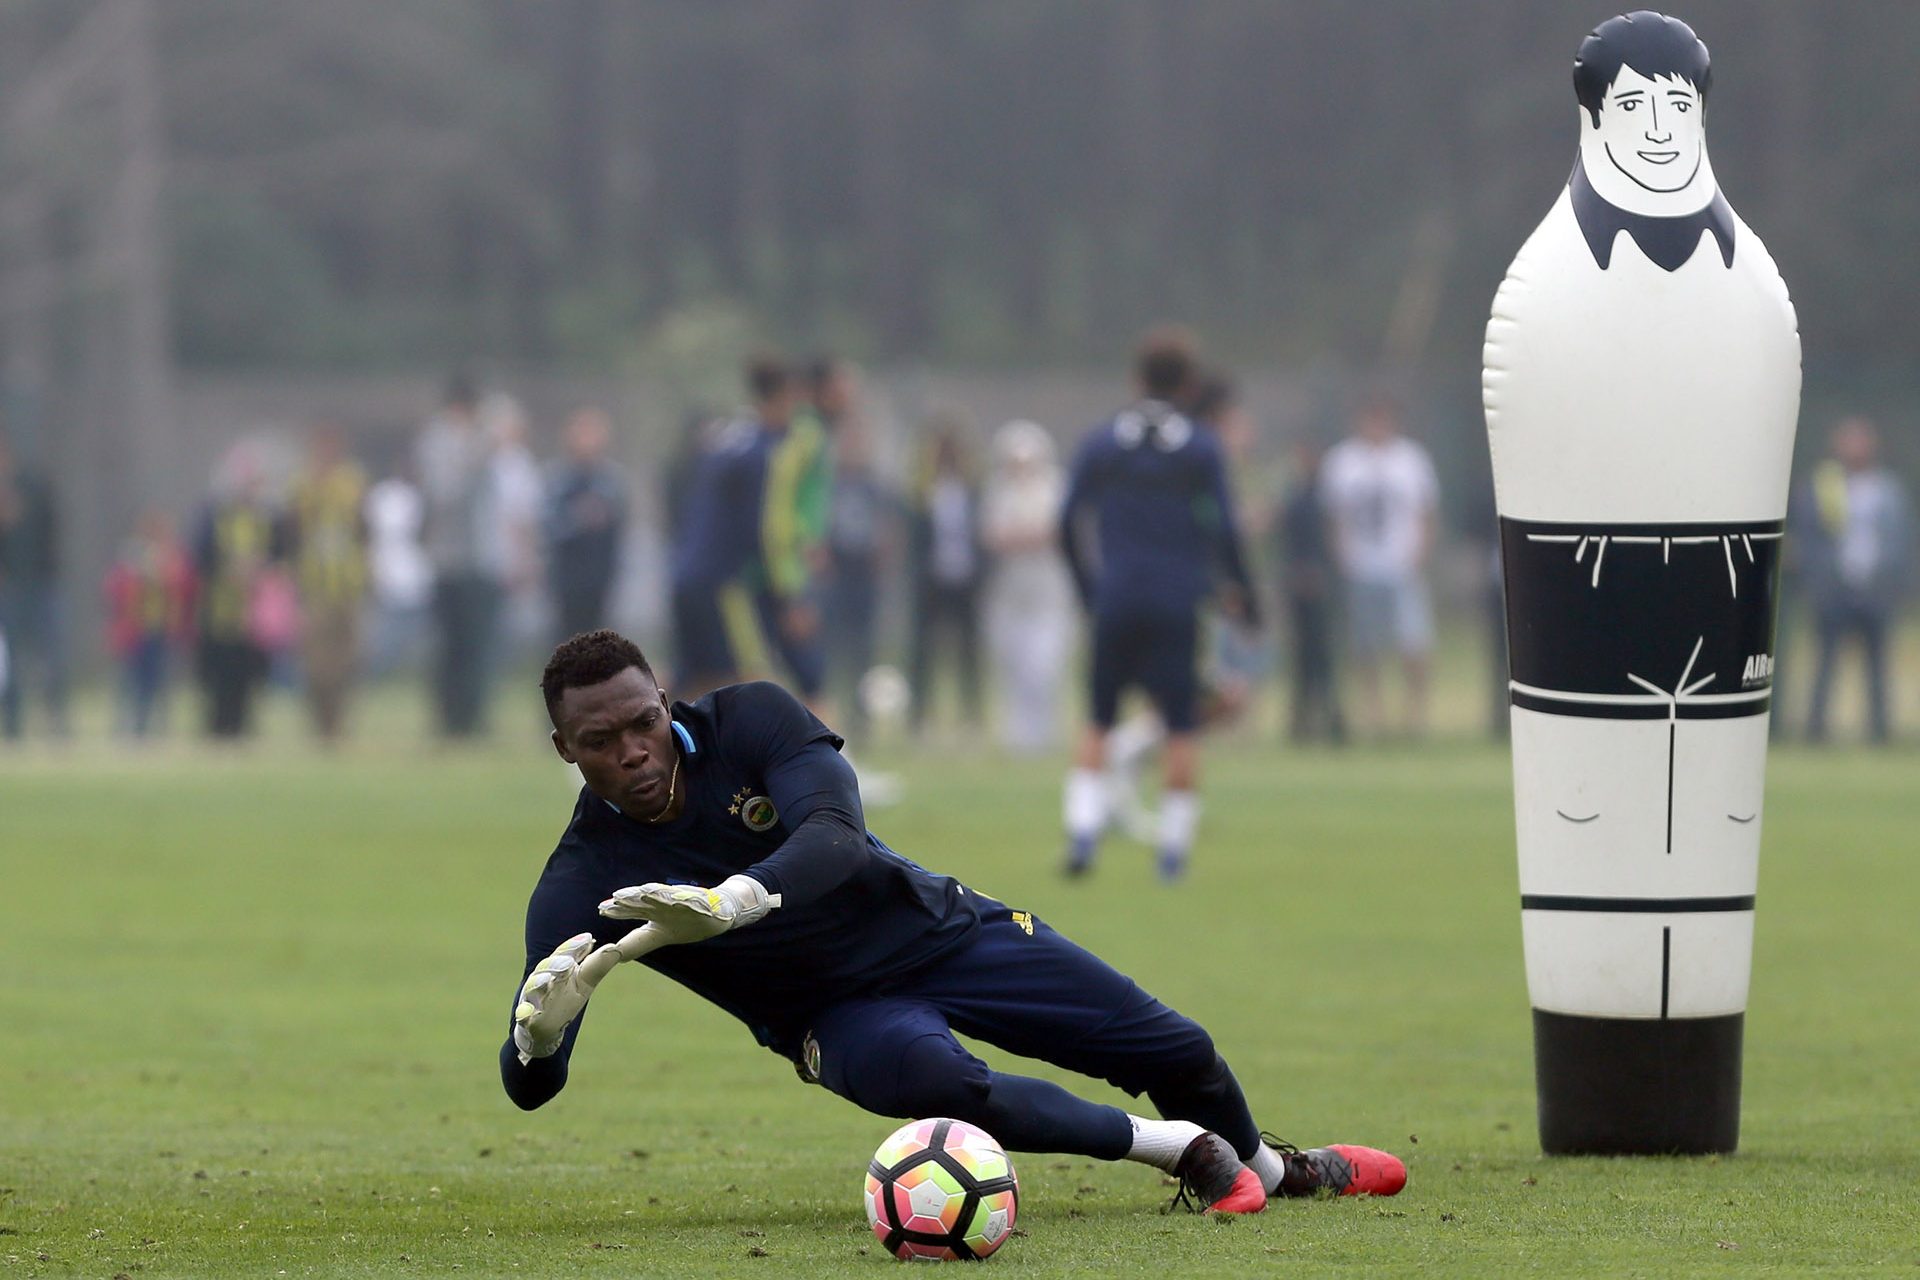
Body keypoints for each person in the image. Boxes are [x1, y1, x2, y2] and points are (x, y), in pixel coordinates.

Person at [500, 629, 1407, 1218]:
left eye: (644, 722)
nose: (632, 752)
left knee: (1177, 1050)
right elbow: (530, 1089)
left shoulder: (753, 719)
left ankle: (1280, 1170)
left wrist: (734, 900)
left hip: (940, 930)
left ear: (666, 702)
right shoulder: (581, 880)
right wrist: (539, 1039)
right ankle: (1187, 1153)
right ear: (563, 750)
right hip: (833, 1016)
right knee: (935, 1077)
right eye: (600, 742)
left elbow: (836, 839)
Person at [1058, 332, 1258, 882]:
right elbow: (1224, 529)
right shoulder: (1199, 447)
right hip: (1177, 600)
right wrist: (1244, 595)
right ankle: (1171, 851)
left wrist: (1086, 591)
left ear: (1137, 380)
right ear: (1189, 385)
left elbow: (1066, 519)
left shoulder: (1103, 443)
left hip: (1116, 597)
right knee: (1179, 723)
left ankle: (1082, 837)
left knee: (1099, 715)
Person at [1319, 395, 1439, 740]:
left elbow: (1427, 513)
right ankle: (1374, 716)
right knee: (1366, 646)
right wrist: (1342, 556)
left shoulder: (1411, 459)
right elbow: (1334, 516)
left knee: (1414, 642)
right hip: (1362, 567)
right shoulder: (1342, 461)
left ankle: (1415, 718)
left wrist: (1420, 554)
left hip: (1402, 566)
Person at [668, 358, 791, 696]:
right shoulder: (759, 452)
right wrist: (783, 594)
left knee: (689, 678)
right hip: (719, 582)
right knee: (740, 679)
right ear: (781, 399)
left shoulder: (727, 438)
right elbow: (758, 529)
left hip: (686, 572)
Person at [1794, 416, 1913, 744]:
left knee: (1877, 665)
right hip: (1834, 590)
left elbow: (1900, 540)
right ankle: (1815, 732)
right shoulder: (1824, 485)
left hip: (1876, 590)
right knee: (1826, 663)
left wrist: (1896, 585)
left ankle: (1880, 732)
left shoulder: (1888, 489)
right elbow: (1809, 539)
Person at [417, 373, 503, 738]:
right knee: (449, 647)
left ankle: (474, 717)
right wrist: (476, 456)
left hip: (482, 561)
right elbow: (443, 495)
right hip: (448, 561)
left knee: (479, 646)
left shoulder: (486, 446)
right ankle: (449, 719)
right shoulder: (437, 443)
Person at [980, 420, 1075, 753]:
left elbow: (1058, 533)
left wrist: (1025, 536)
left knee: (1043, 666)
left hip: (1049, 593)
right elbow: (993, 536)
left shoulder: (1056, 488)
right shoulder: (998, 491)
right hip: (1009, 593)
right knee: (1014, 665)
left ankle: (1043, 733)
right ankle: (1018, 736)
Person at [192, 442, 286, 740]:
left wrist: (260, 569)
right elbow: (200, 554)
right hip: (220, 609)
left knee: (250, 677)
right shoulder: (214, 513)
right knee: (219, 676)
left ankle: (243, 730)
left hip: (253, 613)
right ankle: (217, 731)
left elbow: (280, 554)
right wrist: (229, 568)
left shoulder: (268, 516)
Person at [286, 421, 369, 743]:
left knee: (347, 660)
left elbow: (364, 530)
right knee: (317, 663)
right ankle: (321, 725)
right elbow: (292, 532)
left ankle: (339, 724)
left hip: (347, 585)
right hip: (315, 585)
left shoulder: (352, 482)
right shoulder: (303, 485)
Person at [907, 415, 984, 736]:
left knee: (968, 650)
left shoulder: (972, 490)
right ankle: (921, 716)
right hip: (931, 580)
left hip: (965, 579)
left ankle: (971, 716)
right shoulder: (923, 491)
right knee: (923, 650)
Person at [1275, 435, 1346, 744]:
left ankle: (1330, 720)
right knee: (1304, 657)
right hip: (1299, 586)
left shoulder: (1322, 499)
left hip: (1320, 587)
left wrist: (1322, 574)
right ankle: (1303, 722)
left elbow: (1328, 543)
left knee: (1322, 657)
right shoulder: (1294, 498)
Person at [0, 432, 70, 741]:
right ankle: (13, 726)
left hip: (42, 584)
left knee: (50, 657)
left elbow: (51, 528)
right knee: (10, 661)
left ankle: (57, 722)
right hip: (8, 587)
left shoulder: (33, 486)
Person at [103, 508, 196, 739]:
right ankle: (128, 729)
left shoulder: (173, 557)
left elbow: (186, 586)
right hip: (135, 631)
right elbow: (113, 589)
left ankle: (159, 730)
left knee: (160, 683)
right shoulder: (131, 556)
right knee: (131, 683)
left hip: (161, 630)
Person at [545, 406, 628, 644]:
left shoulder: (611, 480)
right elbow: (549, 525)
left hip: (600, 574)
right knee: (566, 640)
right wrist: (578, 519)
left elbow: (619, 528)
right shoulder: (558, 479)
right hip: (567, 576)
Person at [362, 459, 433, 680]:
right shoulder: (385, 496)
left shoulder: (411, 497)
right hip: (390, 569)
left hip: (407, 571)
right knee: (388, 629)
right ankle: (378, 671)